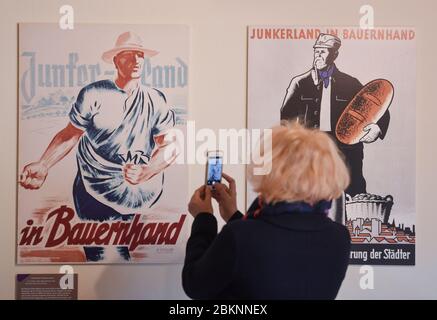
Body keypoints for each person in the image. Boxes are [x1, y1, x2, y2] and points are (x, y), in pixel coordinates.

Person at [19, 32, 179, 261]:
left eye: (140, 55)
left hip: (133, 190)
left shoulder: (155, 100)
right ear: (116, 61)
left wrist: (148, 170)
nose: (135, 60)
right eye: (128, 55)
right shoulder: (93, 93)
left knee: (122, 250)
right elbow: (71, 134)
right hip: (91, 184)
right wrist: (43, 164)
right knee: (99, 254)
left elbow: (169, 144)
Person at [183, 122, 352, 299]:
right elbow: (273, 247)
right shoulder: (339, 237)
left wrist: (204, 218)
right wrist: (234, 215)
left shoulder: (240, 235)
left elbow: (195, 284)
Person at [280, 33, 390, 196]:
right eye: (316, 51)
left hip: (347, 148)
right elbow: (285, 118)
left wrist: (377, 129)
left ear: (334, 55)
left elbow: (378, 105)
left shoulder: (350, 83)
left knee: (354, 192)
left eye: (323, 51)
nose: (318, 55)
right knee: (310, 192)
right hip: (312, 148)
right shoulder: (299, 83)